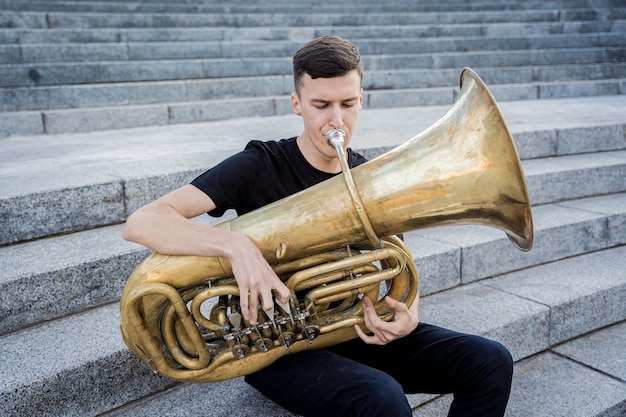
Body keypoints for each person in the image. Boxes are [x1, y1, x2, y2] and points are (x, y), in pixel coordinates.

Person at [123, 35, 513, 417]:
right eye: (321, 104)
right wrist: (234, 246)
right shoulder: (260, 165)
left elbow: (398, 263)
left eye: (348, 103)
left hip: (349, 328)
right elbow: (143, 222)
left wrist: (407, 313)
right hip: (274, 349)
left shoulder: (366, 177)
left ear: (363, 100)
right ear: (297, 104)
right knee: (382, 399)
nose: (337, 119)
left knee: (490, 361)